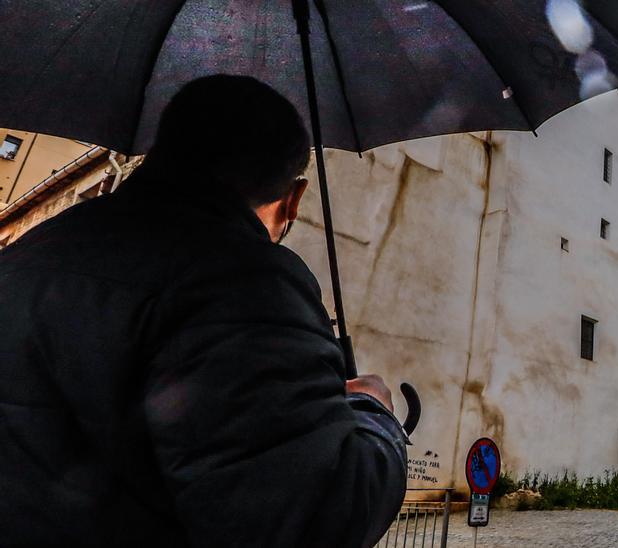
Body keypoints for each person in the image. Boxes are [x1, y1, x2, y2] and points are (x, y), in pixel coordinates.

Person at [0, 75, 408, 546]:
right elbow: (311, 516)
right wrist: (373, 411)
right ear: (292, 199)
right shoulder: (243, 279)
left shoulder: (25, 254)